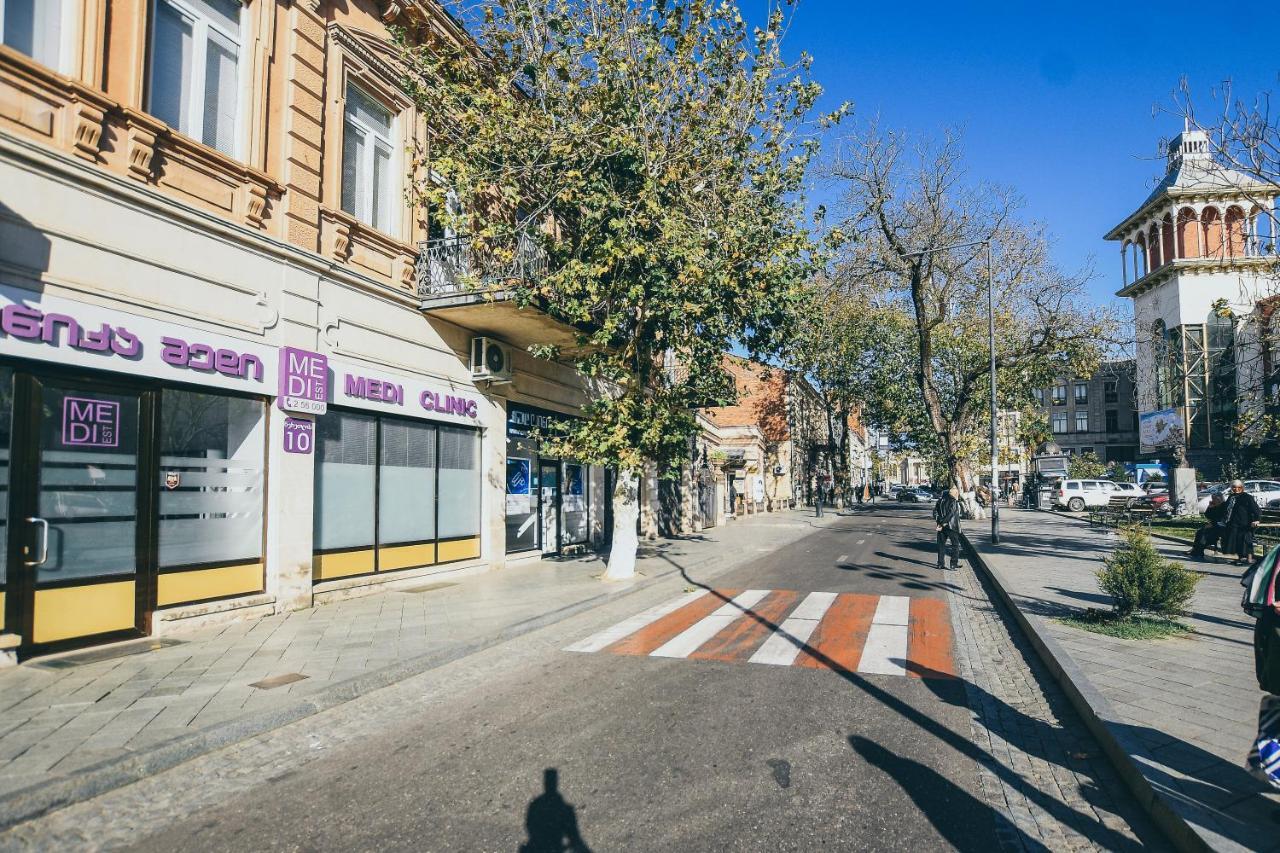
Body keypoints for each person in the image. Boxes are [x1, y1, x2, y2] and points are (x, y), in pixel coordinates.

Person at [1222, 480, 1262, 566]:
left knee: (1245, 538)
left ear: (1242, 488)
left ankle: (1249, 559)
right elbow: (1225, 509)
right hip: (1233, 522)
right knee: (1234, 538)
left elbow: (1256, 510)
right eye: (1234, 487)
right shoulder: (1231, 497)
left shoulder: (1247, 497)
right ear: (1231, 488)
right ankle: (1239, 558)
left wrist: (1257, 519)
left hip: (1245, 523)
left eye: (1239, 487)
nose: (1236, 489)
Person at [1189, 493, 1227, 560]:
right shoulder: (1214, 505)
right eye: (1212, 499)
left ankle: (1198, 552)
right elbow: (1208, 515)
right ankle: (1195, 550)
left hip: (1221, 527)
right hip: (1214, 525)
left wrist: (1213, 524)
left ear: (1219, 499)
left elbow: (1222, 519)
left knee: (1205, 534)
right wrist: (1209, 507)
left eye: (1214, 499)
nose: (1213, 500)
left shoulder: (1224, 506)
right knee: (1200, 532)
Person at [934, 486, 962, 570]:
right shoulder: (953, 501)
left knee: (941, 545)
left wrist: (940, 522)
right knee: (955, 545)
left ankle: (940, 564)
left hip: (941, 526)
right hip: (951, 526)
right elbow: (951, 513)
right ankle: (953, 563)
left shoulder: (940, 501)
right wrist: (944, 522)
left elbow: (935, 513)